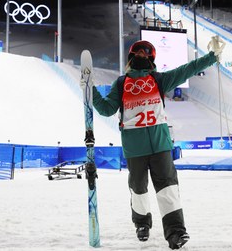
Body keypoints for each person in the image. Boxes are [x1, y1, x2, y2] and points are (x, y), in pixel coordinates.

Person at [86, 36, 225, 249]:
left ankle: (176, 233)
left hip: (160, 145)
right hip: (135, 148)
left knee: (168, 189)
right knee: (138, 188)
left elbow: (186, 70)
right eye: (138, 52)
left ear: (151, 59)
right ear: (132, 57)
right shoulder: (122, 83)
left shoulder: (159, 80)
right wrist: (90, 89)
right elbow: (106, 109)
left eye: (145, 53)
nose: (142, 55)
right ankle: (142, 224)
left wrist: (212, 57)